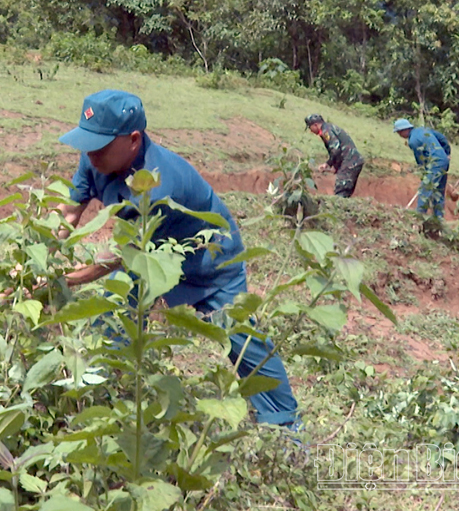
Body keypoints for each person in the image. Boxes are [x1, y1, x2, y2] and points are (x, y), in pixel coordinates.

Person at [56, 89, 300, 428]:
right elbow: (67, 214)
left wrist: (63, 278)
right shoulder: (93, 156)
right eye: (87, 141)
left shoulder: (160, 185)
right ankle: (108, 398)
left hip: (208, 264)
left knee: (241, 340)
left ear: (133, 140)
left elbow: (118, 257)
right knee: (114, 320)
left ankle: (286, 425)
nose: (90, 152)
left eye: (99, 144)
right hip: (150, 257)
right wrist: (42, 257)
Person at [392, 118, 451, 218]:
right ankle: (438, 220)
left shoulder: (412, 141)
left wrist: (424, 172)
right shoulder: (424, 130)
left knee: (425, 189)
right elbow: (442, 138)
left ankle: (419, 216)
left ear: (405, 130)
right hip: (443, 161)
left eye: (399, 132)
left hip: (435, 163)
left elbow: (421, 160)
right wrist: (446, 153)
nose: (400, 135)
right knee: (438, 193)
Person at [304, 114, 365, 198]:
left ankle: (337, 209)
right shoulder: (329, 128)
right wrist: (335, 166)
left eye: (310, 127)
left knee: (341, 189)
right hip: (353, 161)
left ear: (315, 125)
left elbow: (336, 149)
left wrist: (328, 163)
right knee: (345, 191)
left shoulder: (326, 131)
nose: (311, 131)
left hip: (350, 162)